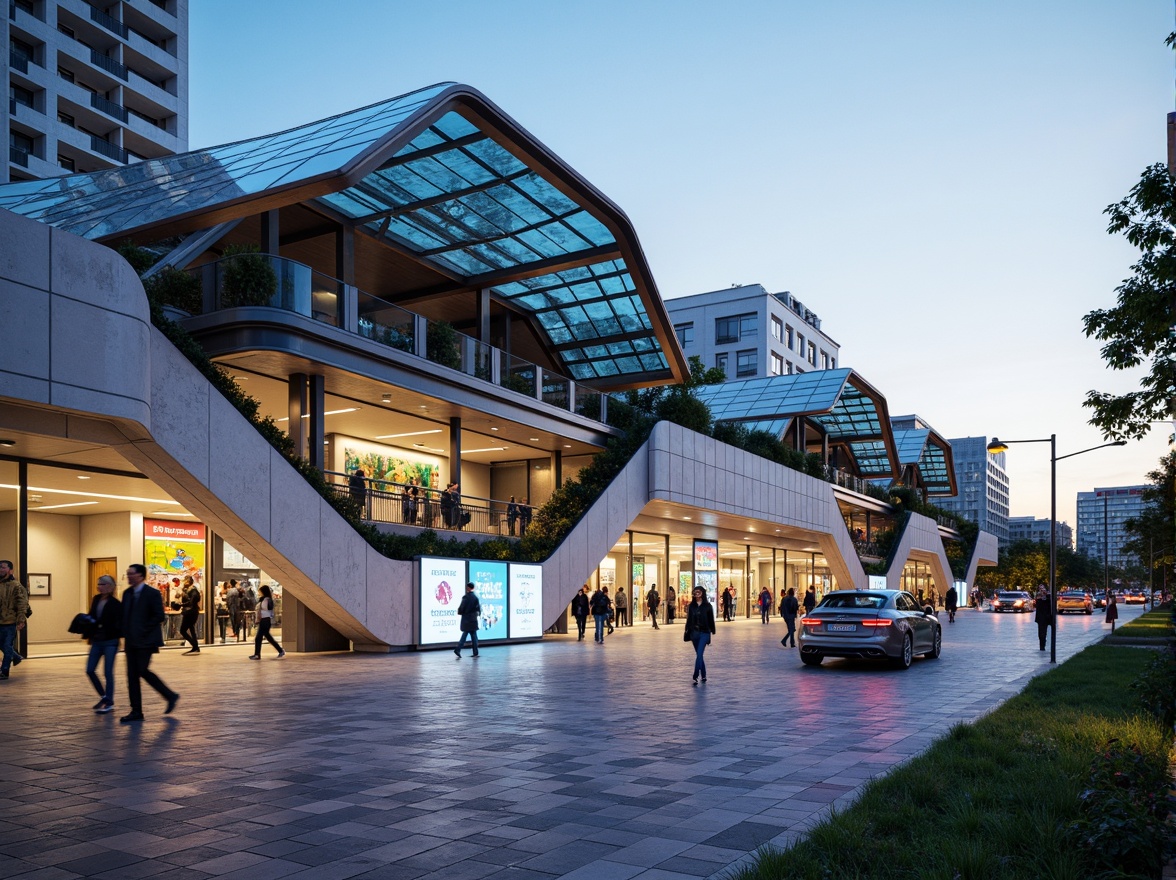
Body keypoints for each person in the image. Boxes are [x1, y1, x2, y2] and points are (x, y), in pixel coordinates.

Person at [120, 563, 179, 723]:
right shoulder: (127, 594)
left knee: (141, 670)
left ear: (140, 576)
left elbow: (159, 616)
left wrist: (142, 628)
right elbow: (124, 616)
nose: (129, 577)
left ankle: (169, 695)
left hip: (146, 641)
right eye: (128, 573)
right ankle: (136, 710)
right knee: (132, 675)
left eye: (131, 574)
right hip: (131, 641)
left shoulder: (152, 593)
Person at [85, 574, 122, 713]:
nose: (99, 587)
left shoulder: (115, 603)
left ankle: (109, 702)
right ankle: (104, 696)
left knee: (108, 672)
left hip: (110, 641)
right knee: (90, 670)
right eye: (98, 584)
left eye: (102, 584)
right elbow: (92, 616)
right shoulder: (96, 599)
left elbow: (118, 623)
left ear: (110, 587)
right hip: (97, 640)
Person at [0, 560, 28, 681]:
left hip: (9, 621)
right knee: (3, 645)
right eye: (0, 567)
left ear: (10, 570)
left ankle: (4, 671)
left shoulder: (16, 585)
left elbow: (22, 603)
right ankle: (15, 656)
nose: (1, 569)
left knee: (7, 645)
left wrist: (21, 619)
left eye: (3, 567)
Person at [684, 586, 716, 685]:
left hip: (704, 633)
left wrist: (712, 632)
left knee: (699, 654)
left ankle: (695, 675)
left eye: (699, 592)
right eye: (695, 592)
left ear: (702, 593)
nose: (697, 594)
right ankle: (704, 675)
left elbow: (711, 621)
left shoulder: (708, 606)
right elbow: (689, 620)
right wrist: (687, 631)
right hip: (694, 633)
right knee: (699, 655)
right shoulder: (691, 606)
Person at [250, 585, 285, 659]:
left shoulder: (267, 600)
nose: (259, 593)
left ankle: (257, 654)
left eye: (260, 591)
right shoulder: (262, 600)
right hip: (263, 620)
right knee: (268, 637)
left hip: (265, 620)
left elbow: (267, 609)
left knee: (258, 638)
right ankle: (280, 650)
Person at [454, 582, 480, 658]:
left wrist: (460, 612)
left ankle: (458, 649)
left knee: (464, 635)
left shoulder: (466, 597)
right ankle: (475, 652)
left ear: (468, 588)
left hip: (467, 619)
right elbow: (478, 609)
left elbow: (462, 608)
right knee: (474, 636)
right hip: (473, 619)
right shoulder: (475, 598)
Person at [178, 575, 201, 654]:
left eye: (185, 581)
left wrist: (181, 604)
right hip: (190, 612)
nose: (184, 583)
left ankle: (194, 645)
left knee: (183, 630)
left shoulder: (193, 590)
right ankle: (196, 647)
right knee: (191, 628)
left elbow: (192, 602)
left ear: (188, 582)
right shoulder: (188, 590)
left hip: (191, 612)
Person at [1034, 586, 1053, 652]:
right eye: (1040, 589)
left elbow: (1051, 602)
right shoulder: (1038, 597)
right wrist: (1040, 597)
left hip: (1049, 617)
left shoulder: (1049, 597)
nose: (1042, 591)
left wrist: (1047, 595)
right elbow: (1036, 605)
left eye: (1043, 589)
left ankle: (1047, 645)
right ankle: (1042, 646)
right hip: (1041, 618)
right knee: (1041, 633)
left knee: (1048, 633)